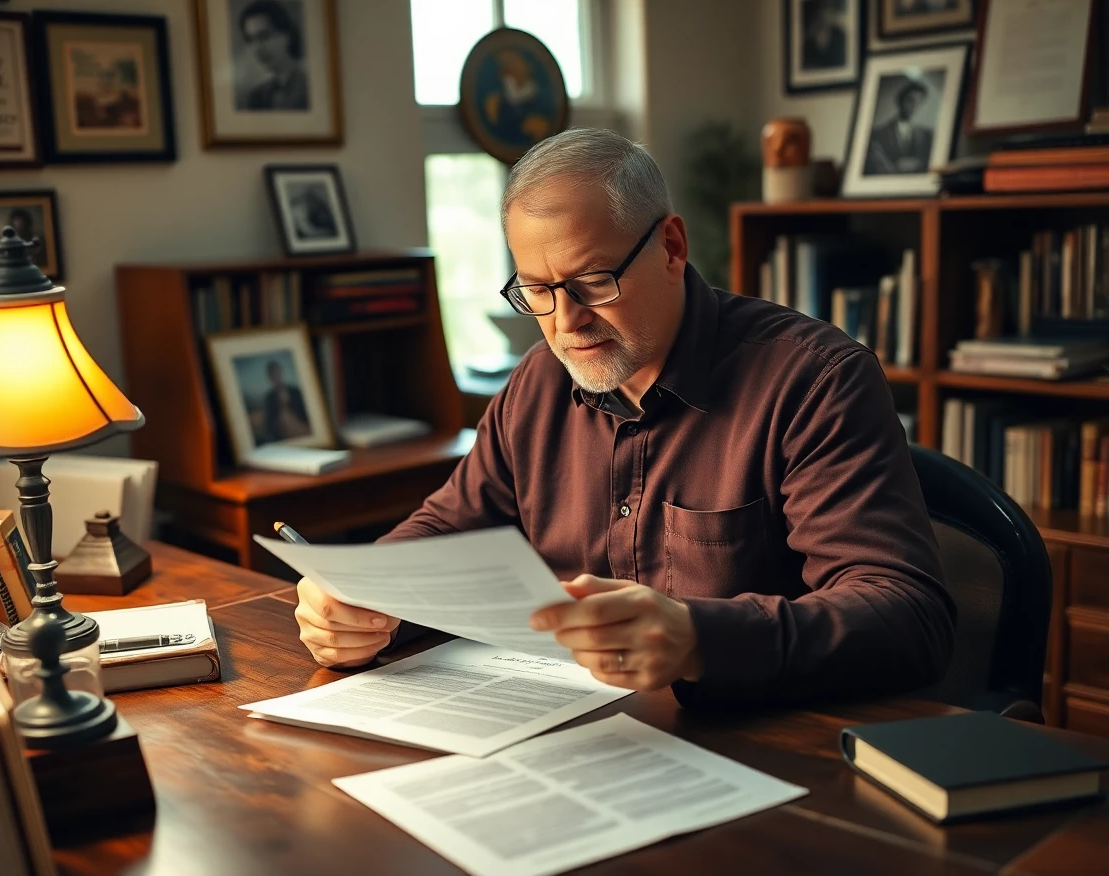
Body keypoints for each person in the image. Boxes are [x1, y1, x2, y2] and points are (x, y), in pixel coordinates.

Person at [294, 128, 955, 710]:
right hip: (565, 741)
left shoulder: (813, 382)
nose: (565, 322)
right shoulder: (536, 383)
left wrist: (699, 639)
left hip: (762, 750)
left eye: (592, 281)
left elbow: (906, 615)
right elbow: (449, 525)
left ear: (670, 247)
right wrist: (361, 597)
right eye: (537, 292)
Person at [237, 0, 309, 111]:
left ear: (287, 35)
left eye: (264, 36)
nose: (257, 48)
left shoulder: (310, 88)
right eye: (250, 39)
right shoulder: (256, 97)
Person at [865, 79, 934, 175]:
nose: (914, 106)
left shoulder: (927, 136)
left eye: (919, 102)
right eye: (910, 100)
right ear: (900, 100)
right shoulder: (877, 134)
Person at [261, 360, 309, 442]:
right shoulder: (269, 397)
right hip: (282, 434)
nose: (275, 376)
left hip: (302, 428)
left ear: (280, 373)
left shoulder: (295, 391)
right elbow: (269, 422)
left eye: (276, 373)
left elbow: (305, 411)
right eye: (272, 374)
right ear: (270, 377)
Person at [801, 0, 847, 71]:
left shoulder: (840, 35)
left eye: (829, 10)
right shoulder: (809, 38)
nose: (825, 15)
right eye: (822, 10)